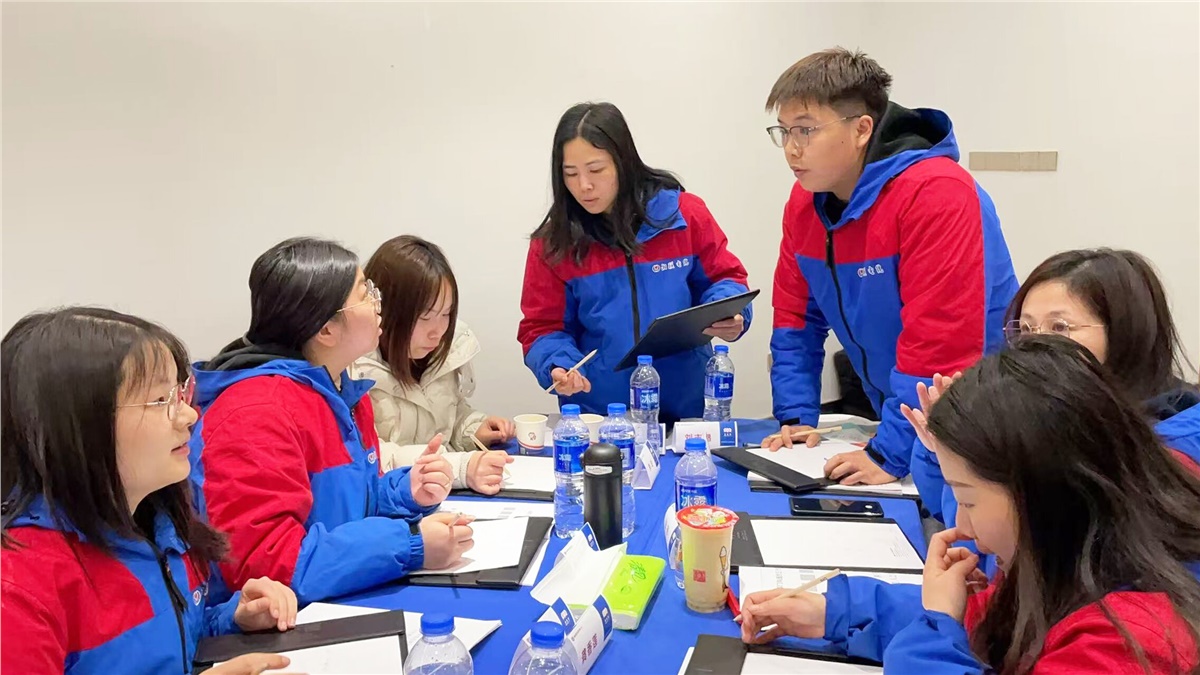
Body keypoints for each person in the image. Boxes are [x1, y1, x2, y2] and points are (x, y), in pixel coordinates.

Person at [741, 336, 1200, 673]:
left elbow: (962, 623)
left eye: (967, 498)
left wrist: (937, 626)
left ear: (1044, 491)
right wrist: (836, 611)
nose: (960, 522)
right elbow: (983, 618)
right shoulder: (1066, 565)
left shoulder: (1127, 643)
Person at [762, 47, 1018, 514]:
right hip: (901, 415)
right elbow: (796, 319)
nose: (791, 148)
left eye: (806, 129)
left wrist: (889, 453)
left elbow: (940, 347)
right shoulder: (804, 205)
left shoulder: (937, 193)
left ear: (862, 129)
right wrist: (797, 418)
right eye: (783, 131)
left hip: (980, 421)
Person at [1, 307, 299, 675]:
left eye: (181, 393)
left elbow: (167, 647)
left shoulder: (157, 523)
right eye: (160, 400)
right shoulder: (19, 586)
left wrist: (233, 620)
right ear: (78, 427)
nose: (190, 415)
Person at [189, 237, 474, 605]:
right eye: (367, 294)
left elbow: (345, 508)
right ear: (326, 329)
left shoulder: (340, 391)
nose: (379, 305)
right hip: (285, 624)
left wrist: (406, 490)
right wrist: (410, 545)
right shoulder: (255, 414)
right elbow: (268, 567)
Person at [920, 248, 1200, 528]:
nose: (1034, 345)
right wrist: (951, 450)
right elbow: (963, 524)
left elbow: (997, 540)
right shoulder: (1050, 414)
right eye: (1026, 329)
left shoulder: (1167, 455)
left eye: (1059, 327)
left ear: (1124, 333)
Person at [518, 101, 753, 422]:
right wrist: (557, 364)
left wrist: (729, 311)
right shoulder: (553, 244)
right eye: (570, 174)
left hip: (691, 412)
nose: (584, 185)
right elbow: (542, 327)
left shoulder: (684, 215)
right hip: (601, 418)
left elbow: (725, 279)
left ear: (623, 162)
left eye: (596, 170)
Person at [350, 235, 514, 494]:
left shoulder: (444, 352)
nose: (437, 331)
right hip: (389, 498)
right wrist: (459, 468)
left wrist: (472, 429)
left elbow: (448, 415)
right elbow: (370, 455)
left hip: (437, 496)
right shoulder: (352, 369)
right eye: (425, 317)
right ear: (385, 310)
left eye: (446, 314)